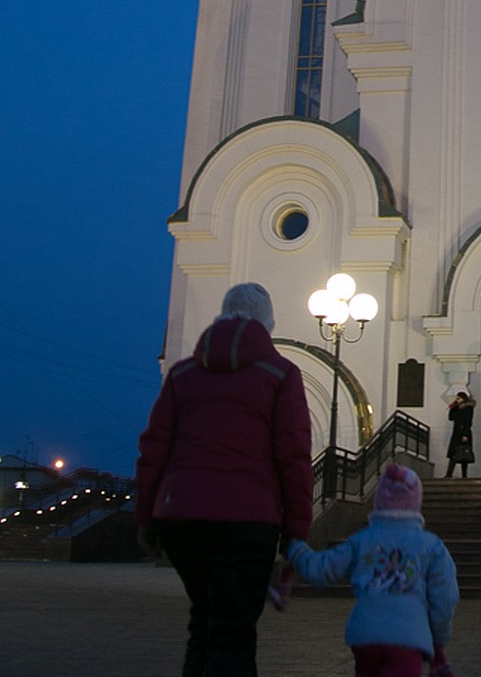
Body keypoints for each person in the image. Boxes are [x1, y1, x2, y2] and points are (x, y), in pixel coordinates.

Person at [134, 282, 313, 677]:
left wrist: (145, 516)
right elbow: (294, 456)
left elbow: (154, 449)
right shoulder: (280, 374)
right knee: (233, 631)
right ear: (268, 323)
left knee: (204, 622)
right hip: (249, 523)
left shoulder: (183, 374)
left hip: (182, 519)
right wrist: (297, 532)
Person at [286, 463, 459, 677]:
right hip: (407, 637)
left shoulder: (361, 540)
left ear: (379, 501)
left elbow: (321, 570)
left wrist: (296, 550)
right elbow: (445, 596)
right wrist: (439, 638)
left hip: (365, 634)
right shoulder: (431, 546)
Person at [444, 389, 476, 478]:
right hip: (456, 433)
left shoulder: (468, 408)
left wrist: (465, 434)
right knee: (453, 453)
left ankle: (464, 474)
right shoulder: (457, 408)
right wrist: (453, 407)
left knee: (464, 454)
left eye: (458, 398)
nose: (457, 400)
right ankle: (449, 473)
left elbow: (468, 421)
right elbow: (451, 418)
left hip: (463, 433)